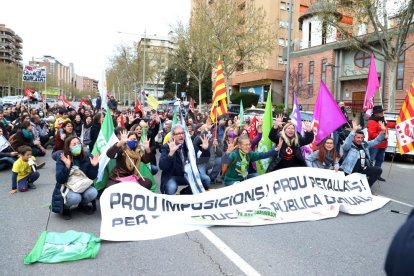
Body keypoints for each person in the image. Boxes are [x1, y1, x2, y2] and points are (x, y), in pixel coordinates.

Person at [52, 136, 100, 220]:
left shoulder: (87, 157)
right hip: (68, 186)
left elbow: (92, 177)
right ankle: (66, 208)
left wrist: (94, 166)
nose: (77, 146)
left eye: (78, 143)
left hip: (82, 184)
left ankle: (82, 205)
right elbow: (60, 180)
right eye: (74, 144)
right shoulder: (62, 159)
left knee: (93, 192)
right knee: (75, 198)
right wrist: (67, 167)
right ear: (68, 147)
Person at [159, 124, 210, 195]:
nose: (181, 135)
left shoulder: (190, 146)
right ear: (173, 135)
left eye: (182, 133)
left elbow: (204, 161)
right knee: (171, 187)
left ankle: (184, 193)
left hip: (189, 175)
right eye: (178, 133)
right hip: (173, 176)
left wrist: (205, 150)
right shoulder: (167, 147)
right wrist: (170, 153)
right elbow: (162, 166)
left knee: (206, 179)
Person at [339, 119, 386, 187]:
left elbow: (377, 141)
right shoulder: (349, 146)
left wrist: (383, 131)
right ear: (353, 138)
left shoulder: (365, 144)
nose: (360, 139)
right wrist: (353, 131)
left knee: (378, 170)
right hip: (348, 171)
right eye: (358, 137)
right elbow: (345, 145)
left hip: (362, 170)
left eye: (361, 138)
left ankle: (366, 187)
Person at [367, 105, 388, 182]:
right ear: (376, 114)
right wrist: (383, 136)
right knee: (371, 160)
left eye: (382, 112)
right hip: (375, 145)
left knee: (380, 160)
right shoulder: (372, 121)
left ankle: (377, 174)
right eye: (380, 112)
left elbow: (387, 127)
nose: (382, 113)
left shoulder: (382, 120)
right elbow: (372, 134)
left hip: (382, 145)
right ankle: (368, 174)